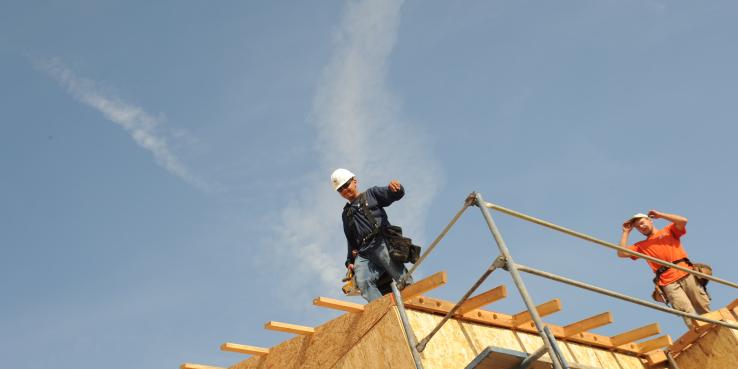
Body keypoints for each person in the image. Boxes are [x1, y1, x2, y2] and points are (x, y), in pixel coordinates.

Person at [618, 210, 711, 327]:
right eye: (637, 227)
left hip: (685, 273)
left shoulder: (668, 231)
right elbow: (621, 253)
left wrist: (660, 215)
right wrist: (626, 232)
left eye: (642, 223)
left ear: (650, 220)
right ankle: (699, 336)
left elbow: (683, 221)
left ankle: (719, 331)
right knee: (687, 314)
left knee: (703, 308)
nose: (641, 227)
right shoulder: (640, 246)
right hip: (668, 282)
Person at [331, 168, 410, 302]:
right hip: (364, 252)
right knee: (363, 282)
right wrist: (350, 261)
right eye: (340, 189)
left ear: (354, 181)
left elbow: (392, 194)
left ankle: (413, 301)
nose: (344, 190)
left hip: (381, 242)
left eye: (346, 185)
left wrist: (396, 188)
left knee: (401, 278)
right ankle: (385, 312)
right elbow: (350, 239)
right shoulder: (346, 214)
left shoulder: (371, 194)